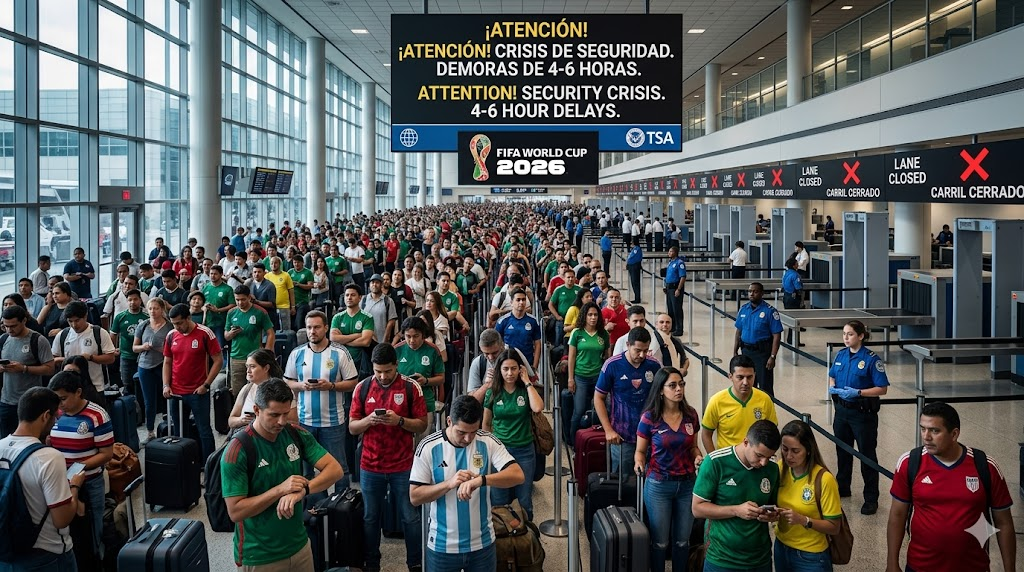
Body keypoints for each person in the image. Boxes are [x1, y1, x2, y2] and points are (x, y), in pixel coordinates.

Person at [221, 379, 343, 571]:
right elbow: (236, 512)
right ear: (257, 410)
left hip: (300, 546)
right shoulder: (238, 450)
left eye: (286, 413)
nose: (282, 421)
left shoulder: (295, 434)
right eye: (274, 415)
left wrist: (303, 490)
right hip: (260, 556)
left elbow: (335, 469)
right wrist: (280, 490)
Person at [886, 402, 1016, 572]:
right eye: (923, 428)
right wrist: (892, 563)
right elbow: (897, 515)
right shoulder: (910, 463)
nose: (926, 437)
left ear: (954, 434)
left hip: (973, 567)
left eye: (935, 430)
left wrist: (1010, 569)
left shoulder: (985, 466)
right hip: (920, 566)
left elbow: (1004, 522)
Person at [410, 395, 525, 572]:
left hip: (483, 543)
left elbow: (517, 475)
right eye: (462, 432)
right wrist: (449, 484)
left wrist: (482, 480)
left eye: (473, 431)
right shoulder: (428, 447)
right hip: (442, 546)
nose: (468, 439)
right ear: (449, 421)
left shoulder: (487, 441)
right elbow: (415, 496)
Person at [349, 343, 428, 572]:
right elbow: (353, 428)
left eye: (388, 371)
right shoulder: (362, 388)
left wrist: (400, 421)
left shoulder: (411, 388)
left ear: (396, 366)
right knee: (370, 518)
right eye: (378, 371)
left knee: (410, 517)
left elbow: (422, 424)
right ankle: (372, 564)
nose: (383, 376)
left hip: (403, 464)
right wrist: (368, 421)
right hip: (370, 465)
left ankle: (415, 563)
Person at [0, 387, 86, 571]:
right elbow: (62, 519)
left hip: (7, 553)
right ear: (46, 416)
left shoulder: (1, 447)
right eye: (55, 417)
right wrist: (75, 487)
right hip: (47, 555)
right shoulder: (48, 457)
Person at [634, 366, 702, 572]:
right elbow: (640, 451)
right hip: (659, 485)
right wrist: (638, 463)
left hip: (688, 485)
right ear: (661, 390)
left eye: (681, 384)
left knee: (682, 541)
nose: (678, 389)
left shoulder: (691, 415)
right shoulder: (649, 418)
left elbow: (693, 446)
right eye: (672, 385)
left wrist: (698, 456)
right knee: (660, 542)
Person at [692, 420, 782, 572]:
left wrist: (772, 515)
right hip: (722, 559)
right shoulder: (715, 462)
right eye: (759, 455)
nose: (764, 462)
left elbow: (773, 505)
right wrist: (736, 510)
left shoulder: (772, 469)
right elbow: (697, 509)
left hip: (760, 559)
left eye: (770, 456)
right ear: (746, 442)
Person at [285, 310, 359, 493]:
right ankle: (310, 509)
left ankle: (341, 507)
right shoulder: (297, 353)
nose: (312, 331)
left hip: (333, 422)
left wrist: (331, 386)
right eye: (309, 327)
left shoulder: (340, 353)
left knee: (339, 468)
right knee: (304, 470)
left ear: (326, 328)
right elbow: (287, 380)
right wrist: (301, 386)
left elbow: (353, 383)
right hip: (304, 422)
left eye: (317, 327)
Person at [47, 371, 114, 558]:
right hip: (59, 482)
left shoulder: (97, 415)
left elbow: (106, 454)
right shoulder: (56, 414)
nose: (60, 405)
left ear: (78, 392)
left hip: (88, 483)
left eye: (63, 399)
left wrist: (76, 467)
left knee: (93, 532)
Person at [828, 320, 889, 515]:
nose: (846, 338)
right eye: (844, 334)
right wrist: (833, 388)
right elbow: (832, 375)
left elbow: (883, 388)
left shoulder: (871, 359)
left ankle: (871, 498)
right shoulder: (840, 355)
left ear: (861, 336)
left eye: (850, 334)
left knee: (866, 455)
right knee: (842, 451)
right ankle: (843, 487)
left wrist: (859, 392)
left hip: (862, 414)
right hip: (842, 411)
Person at [773, 419, 843, 572]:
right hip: (781, 547)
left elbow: (834, 527)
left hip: (811, 556)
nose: (788, 456)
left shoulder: (824, 479)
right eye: (784, 449)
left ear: (808, 450)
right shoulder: (779, 468)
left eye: (795, 451)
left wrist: (804, 520)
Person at [482, 349, 544, 521]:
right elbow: (486, 423)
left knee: (524, 499)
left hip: (524, 450)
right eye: (505, 369)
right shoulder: (493, 392)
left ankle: (528, 537)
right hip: (499, 452)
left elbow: (538, 408)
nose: (510, 373)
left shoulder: (525, 390)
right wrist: (488, 449)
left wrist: (527, 382)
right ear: (499, 371)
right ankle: (503, 540)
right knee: (498, 499)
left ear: (520, 369)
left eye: (514, 368)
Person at [594, 327, 662, 472]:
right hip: (622, 436)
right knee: (622, 480)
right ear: (628, 345)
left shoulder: (654, 365)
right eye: (637, 350)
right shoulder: (612, 365)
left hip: (649, 434)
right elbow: (599, 398)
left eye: (645, 350)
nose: (642, 354)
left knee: (649, 477)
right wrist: (608, 430)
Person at [162, 303, 222, 463]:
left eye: (179, 323)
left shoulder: (204, 333)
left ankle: (209, 467)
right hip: (175, 392)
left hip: (198, 391)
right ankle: (187, 464)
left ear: (188, 318)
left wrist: (207, 385)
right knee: (180, 430)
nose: (177, 327)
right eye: (174, 324)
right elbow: (167, 362)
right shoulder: (171, 335)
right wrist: (166, 385)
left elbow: (218, 361)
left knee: (204, 431)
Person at [700, 355, 778, 454]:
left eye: (749, 377)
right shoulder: (717, 401)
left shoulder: (765, 399)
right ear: (730, 377)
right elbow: (706, 434)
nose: (745, 382)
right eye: (740, 377)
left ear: (755, 375)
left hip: (757, 462)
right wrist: (714, 461)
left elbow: (772, 432)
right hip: (728, 463)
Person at [0, 305, 55, 438]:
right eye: (6, 326)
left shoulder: (38, 340)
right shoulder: (3, 339)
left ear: (24, 321)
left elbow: (50, 369)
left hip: (30, 402)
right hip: (6, 401)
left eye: (13, 326)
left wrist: (24, 368)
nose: (9, 330)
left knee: (29, 439)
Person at [51, 301, 117, 396]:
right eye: (70, 321)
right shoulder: (62, 335)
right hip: (69, 389)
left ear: (85, 316)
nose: (74, 325)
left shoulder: (99, 333)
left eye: (77, 320)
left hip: (95, 387)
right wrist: (67, 360)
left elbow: (110, 358)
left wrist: (91, 358)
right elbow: (53, 360)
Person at [132, 297, 172, 443]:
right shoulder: (143, 325)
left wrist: (163, 350)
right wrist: (144, 347)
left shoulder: (169, 327)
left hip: (163, 365)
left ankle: (169, 428)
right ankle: (150, 431)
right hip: (145, 365)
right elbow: (134, 347)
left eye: (156, 308)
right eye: (150, 309)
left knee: (167, 396)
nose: (153, 311)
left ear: (162, 310)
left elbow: (175, 348)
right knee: (149, 401)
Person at [225, 284, 276, 397]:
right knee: (238, 393)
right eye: (237, 300)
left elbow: (270, 333)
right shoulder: (231, 313)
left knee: (257, 391)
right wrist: (231, 333)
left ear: (249, 297)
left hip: (255, 357)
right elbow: (226, 336)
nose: (240, 303)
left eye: (243, 299)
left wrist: (267, 352)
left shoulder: (260, 312)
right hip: (236, 357)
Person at [732, 282, 782, 397]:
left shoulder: (770, 311)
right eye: (750, 291)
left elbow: (776, 335)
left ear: (762, 293)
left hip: (762, 354)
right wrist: (735, 351)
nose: (752, 294)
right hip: (746, 352)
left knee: (765, 387)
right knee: (748, 384)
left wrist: (773, 356)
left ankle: (767, 412)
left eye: (755, 291)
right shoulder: (743, 309)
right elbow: (738, 331)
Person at [395, 316, 445, 429]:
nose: (412, 340)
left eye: (416, 336)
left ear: (423, 335)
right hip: (401, 402)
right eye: (408, 336)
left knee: (422, 440)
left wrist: (426, 381)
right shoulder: (397, 350)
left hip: (425, 401)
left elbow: (441, 378)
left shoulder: (433, 350)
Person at [466, 329, 536, 402]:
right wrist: (487, 385)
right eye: (486, 354)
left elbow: (532, 382)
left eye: (494, 353)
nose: (490, 357)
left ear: (502, 345)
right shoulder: (478, 363)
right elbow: (471, 402)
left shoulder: (515, 354)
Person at [227, 349, 287, 433]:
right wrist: (241, 420)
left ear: (266, 368)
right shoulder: (246, 389)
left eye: (252, 366)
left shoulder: (282, 390)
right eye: (247, 366)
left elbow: (292, 422)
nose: (248, 371)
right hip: (246, 439)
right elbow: (231, 420)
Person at [330, 283, 375, 379]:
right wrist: (357, 335)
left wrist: (343, 341)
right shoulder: (337, 317)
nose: (349, 298)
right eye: (347, 295)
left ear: (360, 298)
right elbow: (333, 338)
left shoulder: (367, 317)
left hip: (360, 363)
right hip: (340, 361)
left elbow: (365, 342)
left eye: (353, 295)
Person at [108, 288, 148, 395]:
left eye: (135, 299)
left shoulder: (146, 317)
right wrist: (112, 350)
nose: (132, 302)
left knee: (142, 385)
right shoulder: (120, 317)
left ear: (140, 300)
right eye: (130, 300)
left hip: (143, 357)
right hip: (125, 356)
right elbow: (113, 334)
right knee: (127, 385)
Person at [494, 287, 542, 371]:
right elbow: (496, 343)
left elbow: (537, 344)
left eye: (523, 300)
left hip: (527, 364)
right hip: (508, 365)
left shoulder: (533, 321)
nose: (521, 302)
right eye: (518, 300)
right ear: (511, 302)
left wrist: (535, 366)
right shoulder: (502, 321)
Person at [248, 263, 281, 331]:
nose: (256, 274)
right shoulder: (250, 284)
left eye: (259, 272)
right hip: (254, 316)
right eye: (255, 272)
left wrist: (256, 301)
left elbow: (271, 304)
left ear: (264, 273)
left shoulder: (270, 286)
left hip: (268, 317)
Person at [265, 257, 295, 331]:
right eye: (271, 263)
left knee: (286, 329)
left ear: (279, 264)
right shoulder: (267, 276)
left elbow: (291, 292)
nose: (273, 265)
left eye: (275, 263)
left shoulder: (286, 275)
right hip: (271, 308)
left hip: (284, 307)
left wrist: (293, 306)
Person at [664, 245, 687, 336]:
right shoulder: (670, 262)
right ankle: (672, 326)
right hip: (669, 288)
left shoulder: (679, 263)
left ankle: (679, 328)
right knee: (670, 309)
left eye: (670, 251)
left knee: (677, 309)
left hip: (675, 288)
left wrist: (678, 289)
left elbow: (683, 277)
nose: (668, 253)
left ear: (675, 252)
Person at [626, 237, 643, 304]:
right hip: (632, 266)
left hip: (634, 267)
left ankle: (637, 298)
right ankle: (636, 297)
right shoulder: (634, 249)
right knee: (633, 282)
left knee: (635, 282)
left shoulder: (637, 249)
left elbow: (633, 258)